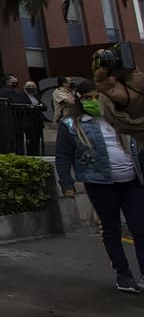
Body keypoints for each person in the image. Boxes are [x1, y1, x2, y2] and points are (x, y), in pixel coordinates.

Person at [55, 78, 144, 294]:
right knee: (111, 228)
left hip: (132, 181)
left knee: (140, 227)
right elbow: (63, 156)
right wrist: (67, 183)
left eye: (97, 97)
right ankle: (123, 274)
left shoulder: (122, 119)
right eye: (87, 98)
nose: (93, 101)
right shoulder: (71, 125)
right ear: (80, 100)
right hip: (100, 184)